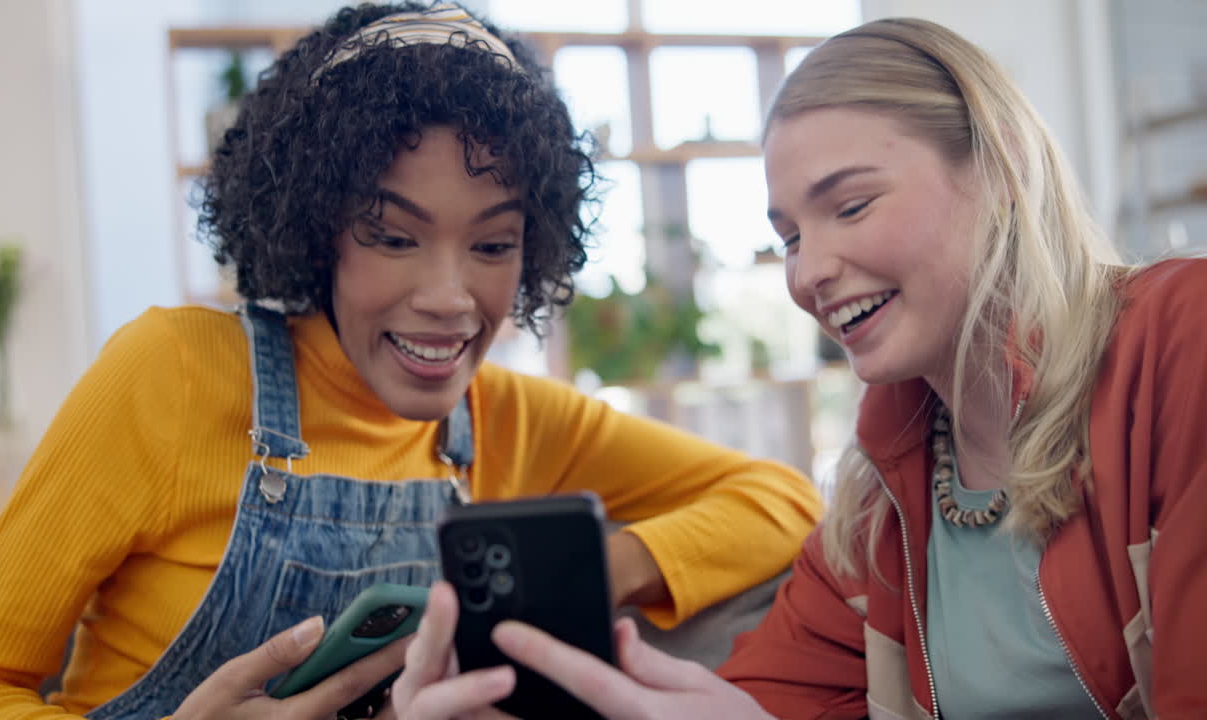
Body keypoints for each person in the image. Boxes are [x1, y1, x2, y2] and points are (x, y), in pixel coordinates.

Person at [0, 3, 824, 718]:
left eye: (492, 244)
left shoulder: (511, 416)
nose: (448, 296)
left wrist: (597, 571)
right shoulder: (174, 374)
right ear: (315, 232)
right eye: (393, 236)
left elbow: (783, 500)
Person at [391, 15, 1207, 720]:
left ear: (1000, 172)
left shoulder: (1184, 342)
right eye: (788, 236)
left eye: (849, 206)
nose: (807, 271)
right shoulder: (875, 509)